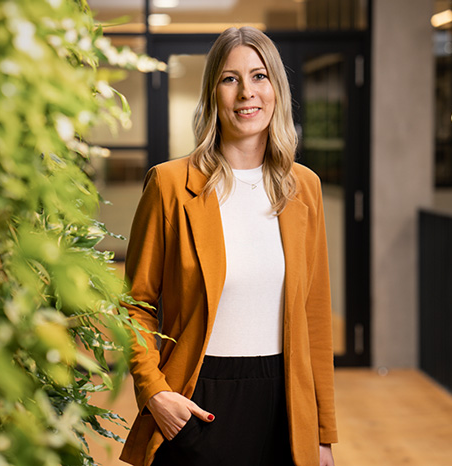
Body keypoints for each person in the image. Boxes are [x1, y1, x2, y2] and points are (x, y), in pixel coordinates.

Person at [119, 26, 337, 466]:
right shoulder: (169, 185)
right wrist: (155, 392)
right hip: (196, 403)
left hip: (284, 407)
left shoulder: (304, 188)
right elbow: (133, 304)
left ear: (276, 88)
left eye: (259, 76)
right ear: (213, 93)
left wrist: (322, 433)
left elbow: (314, 317)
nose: (246, 94)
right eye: (230, 79)